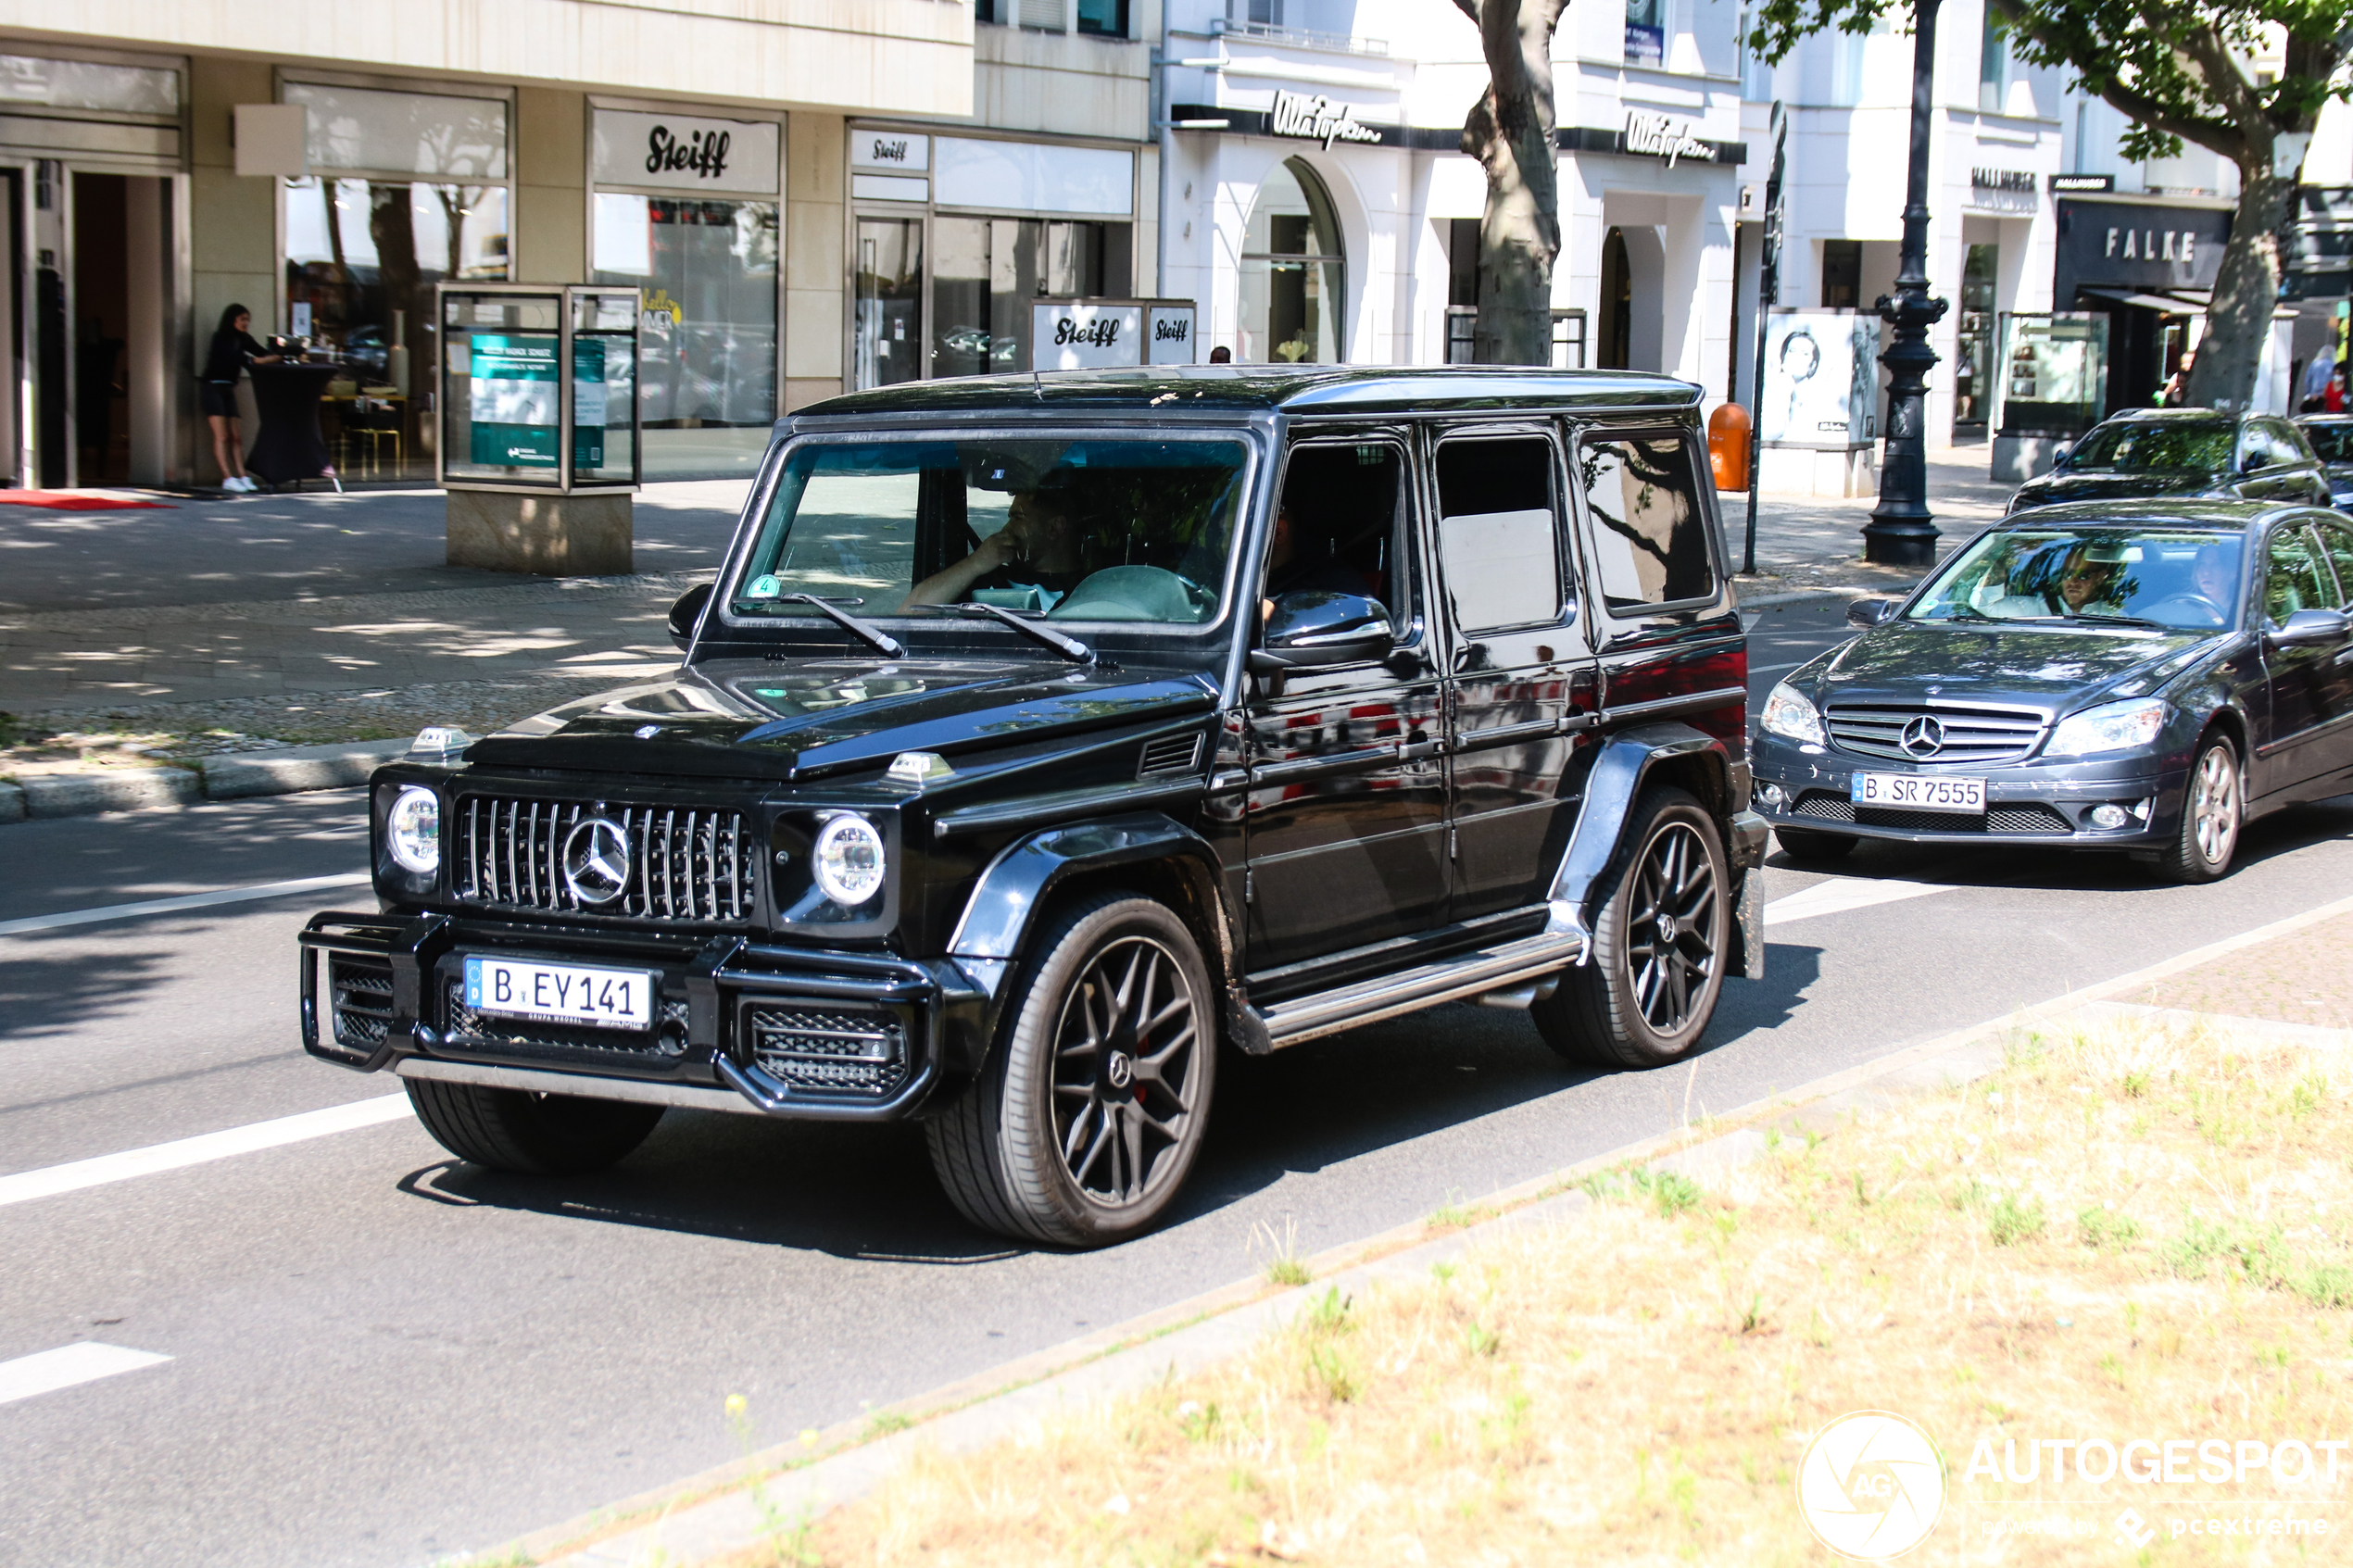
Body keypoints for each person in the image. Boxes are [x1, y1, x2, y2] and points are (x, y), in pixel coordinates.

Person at [901, 485, 1086, 609]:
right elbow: (909, 614)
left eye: (1017, 518)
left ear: (1055, 527)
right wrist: (975, 563)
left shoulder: (1091, 588)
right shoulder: (987, 579)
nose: (1006, 529)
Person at [199, 304, 281, 492]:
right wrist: (272, 358)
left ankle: (243, 476)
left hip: (229, 388)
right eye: (242, 319)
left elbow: (262, 353)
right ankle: (227, 477)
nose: (246, 323)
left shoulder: (244, 338)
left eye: (248, 319)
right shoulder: (220, 338)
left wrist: (278, 353)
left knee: (236, 437)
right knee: (222, 436)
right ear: (232, 319)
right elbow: (251, 360)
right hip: (212, 388)